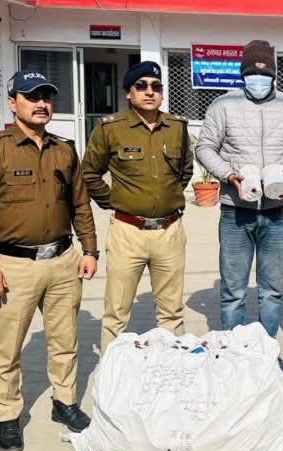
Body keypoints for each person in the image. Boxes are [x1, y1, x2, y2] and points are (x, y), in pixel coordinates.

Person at [0, 70, 98, 451]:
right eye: (31, 96)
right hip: (13, 266)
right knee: (7, 347)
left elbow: (80, 203)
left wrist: (89, 249)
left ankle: (64, 402)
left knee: (66, 340)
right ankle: (7, 417)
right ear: (12, 102)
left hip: (63, 260)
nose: (41, 104)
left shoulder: (64, 149)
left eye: (46, 97)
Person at [196, 40, 283, 375]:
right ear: (242, 74)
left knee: (271, 290)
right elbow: (205, 147)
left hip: (275, 213)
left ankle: (266, 355)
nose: (258, 79)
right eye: (251, 73)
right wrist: (228, 174)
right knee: (233, 291)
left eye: (264, 73)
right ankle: (234, 358)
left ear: (274, 75)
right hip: (235, 211)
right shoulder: (223, 105)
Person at [81, 61, 194, 352]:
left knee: (172, 312)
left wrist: (166, 197)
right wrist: (114, 202)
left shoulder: (177, 128)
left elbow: (185, 171)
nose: (149, 92)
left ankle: (172, 370)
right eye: (141, 86)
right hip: (127, 232)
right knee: (116, 313)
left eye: (156, 86)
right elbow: (89, 173)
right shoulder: (111, 128)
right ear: (128, 93)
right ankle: (112, 372)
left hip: (169, 231)